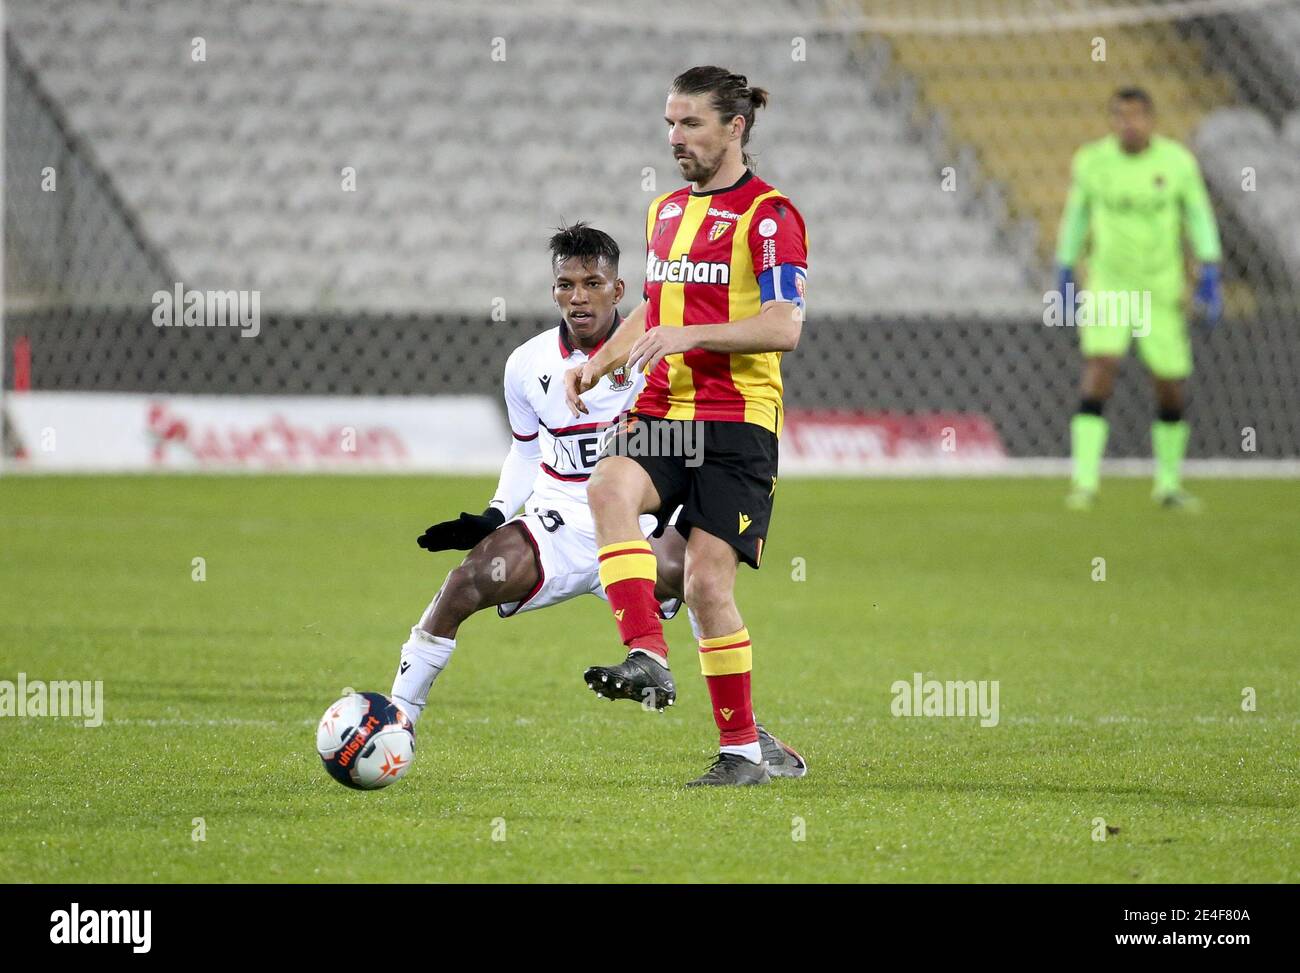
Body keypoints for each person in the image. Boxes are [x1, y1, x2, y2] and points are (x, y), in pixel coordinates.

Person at [565, 67, 810, 786]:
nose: (675, 138)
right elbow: (655, 307)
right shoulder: (663, 211)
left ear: (735, 127)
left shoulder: (771, 216)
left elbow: (783, 326)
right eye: (670, 123)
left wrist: (691, 336)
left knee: (703, 582)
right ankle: (646, 653)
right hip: (666, 413)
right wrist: (601, 360)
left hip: (737, 425)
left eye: (691, 124)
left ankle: (742, 752)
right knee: (608, 484)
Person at [1056, 87, 1223, 511]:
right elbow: (1076, 215)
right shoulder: (1092, 161)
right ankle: (1085, 483)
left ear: (1151, 120)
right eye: (1120, 116)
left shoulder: (1177, 162)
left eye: (1136, 116)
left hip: (1160, 290)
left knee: (1168, 383)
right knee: (1101, 366)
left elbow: (1198, 215)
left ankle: (1167, 484)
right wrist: (1064, 269)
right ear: (1112, 121)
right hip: (1110, 286)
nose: (1129, 124)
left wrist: (1209, 268)